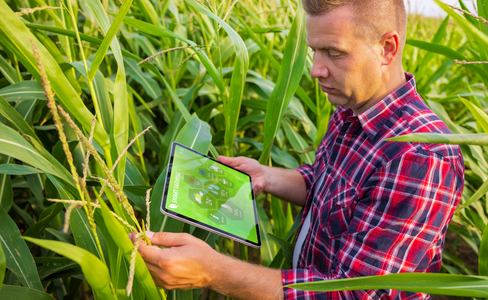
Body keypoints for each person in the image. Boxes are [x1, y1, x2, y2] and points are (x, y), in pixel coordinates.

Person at [134, 0, 464, 299]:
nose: (316, 70)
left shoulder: (420, 155)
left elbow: (353, 294)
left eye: (334, 53)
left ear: (387, 49)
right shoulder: (352, 106)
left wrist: (214, 270)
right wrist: (266, 176)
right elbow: (328, 183)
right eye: (314, 51)